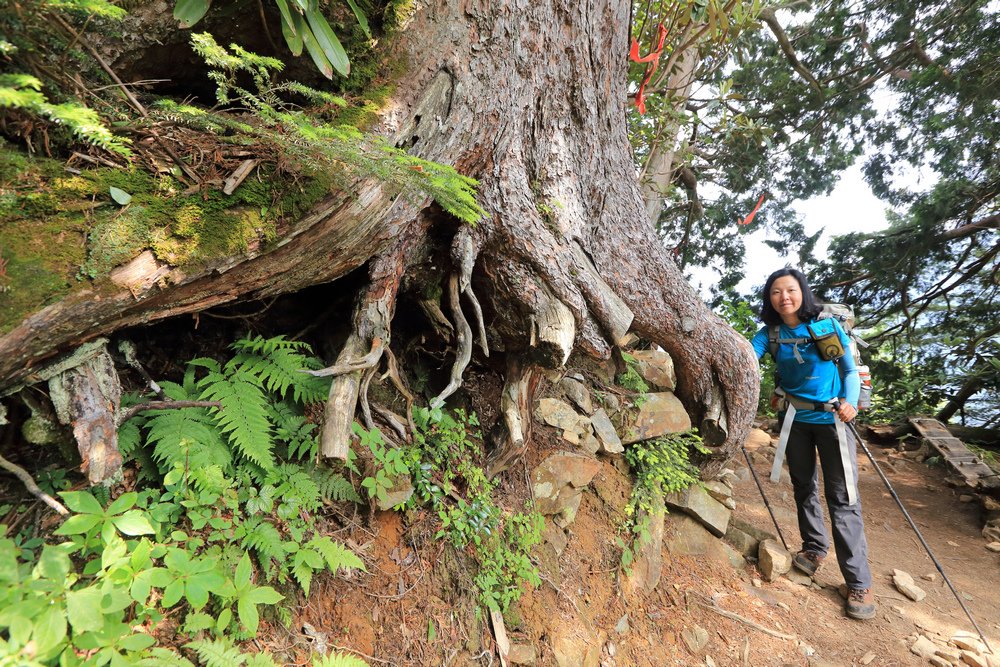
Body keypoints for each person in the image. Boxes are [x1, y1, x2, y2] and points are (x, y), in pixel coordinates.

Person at [750, 267, 875, 620]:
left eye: (790, 290)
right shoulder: (770, 334)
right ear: (770, 299)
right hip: (795, 422)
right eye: (776, 292)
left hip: (834, 420)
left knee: (843, 498)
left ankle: (858, 581)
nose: (783, 297)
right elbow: (745, 357)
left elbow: (849, 371)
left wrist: (850, 402)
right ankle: (814, 549)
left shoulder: (823, 327)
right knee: (803, 486)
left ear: (802, 292)